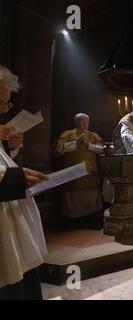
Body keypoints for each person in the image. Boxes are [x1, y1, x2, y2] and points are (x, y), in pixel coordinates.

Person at [0, 65, 48, 300]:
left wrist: (12, 148)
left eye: (7, 103)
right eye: (1, 103)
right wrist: (15, 178)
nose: (4, 110)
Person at [55, 113, 104, 221]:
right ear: (76, 122)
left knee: (90, 193)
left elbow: (101, 149)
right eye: (82, 121)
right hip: (73, 170)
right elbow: (59, 149)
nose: (85, 123)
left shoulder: (93, 135)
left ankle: (90, 217)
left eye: (87, 121)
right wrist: (75, 144)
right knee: (74, 194)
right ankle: (74, 219)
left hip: (90, 169)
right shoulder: (67, 134)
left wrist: (88, 145)